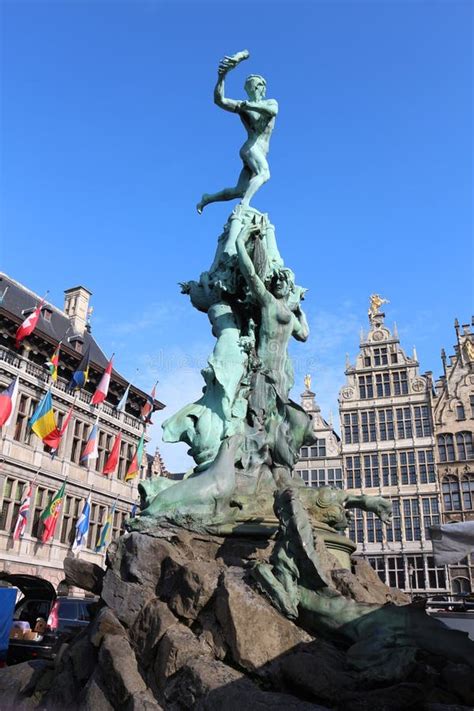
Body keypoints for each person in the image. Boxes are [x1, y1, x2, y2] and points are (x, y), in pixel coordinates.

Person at [197, 51, 278, 213]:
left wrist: (247, 105)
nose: (256, 87)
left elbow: (272, 111)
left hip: (258, 151)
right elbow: (219, 100)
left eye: (257, 84)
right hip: (251, 148)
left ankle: (207, 198)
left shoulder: (269, 102)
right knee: (264, 173)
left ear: (262, 88)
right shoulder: (243, 106)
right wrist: (222, 77)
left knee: (239, 190)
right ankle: (244, 205)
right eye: (253, 85)